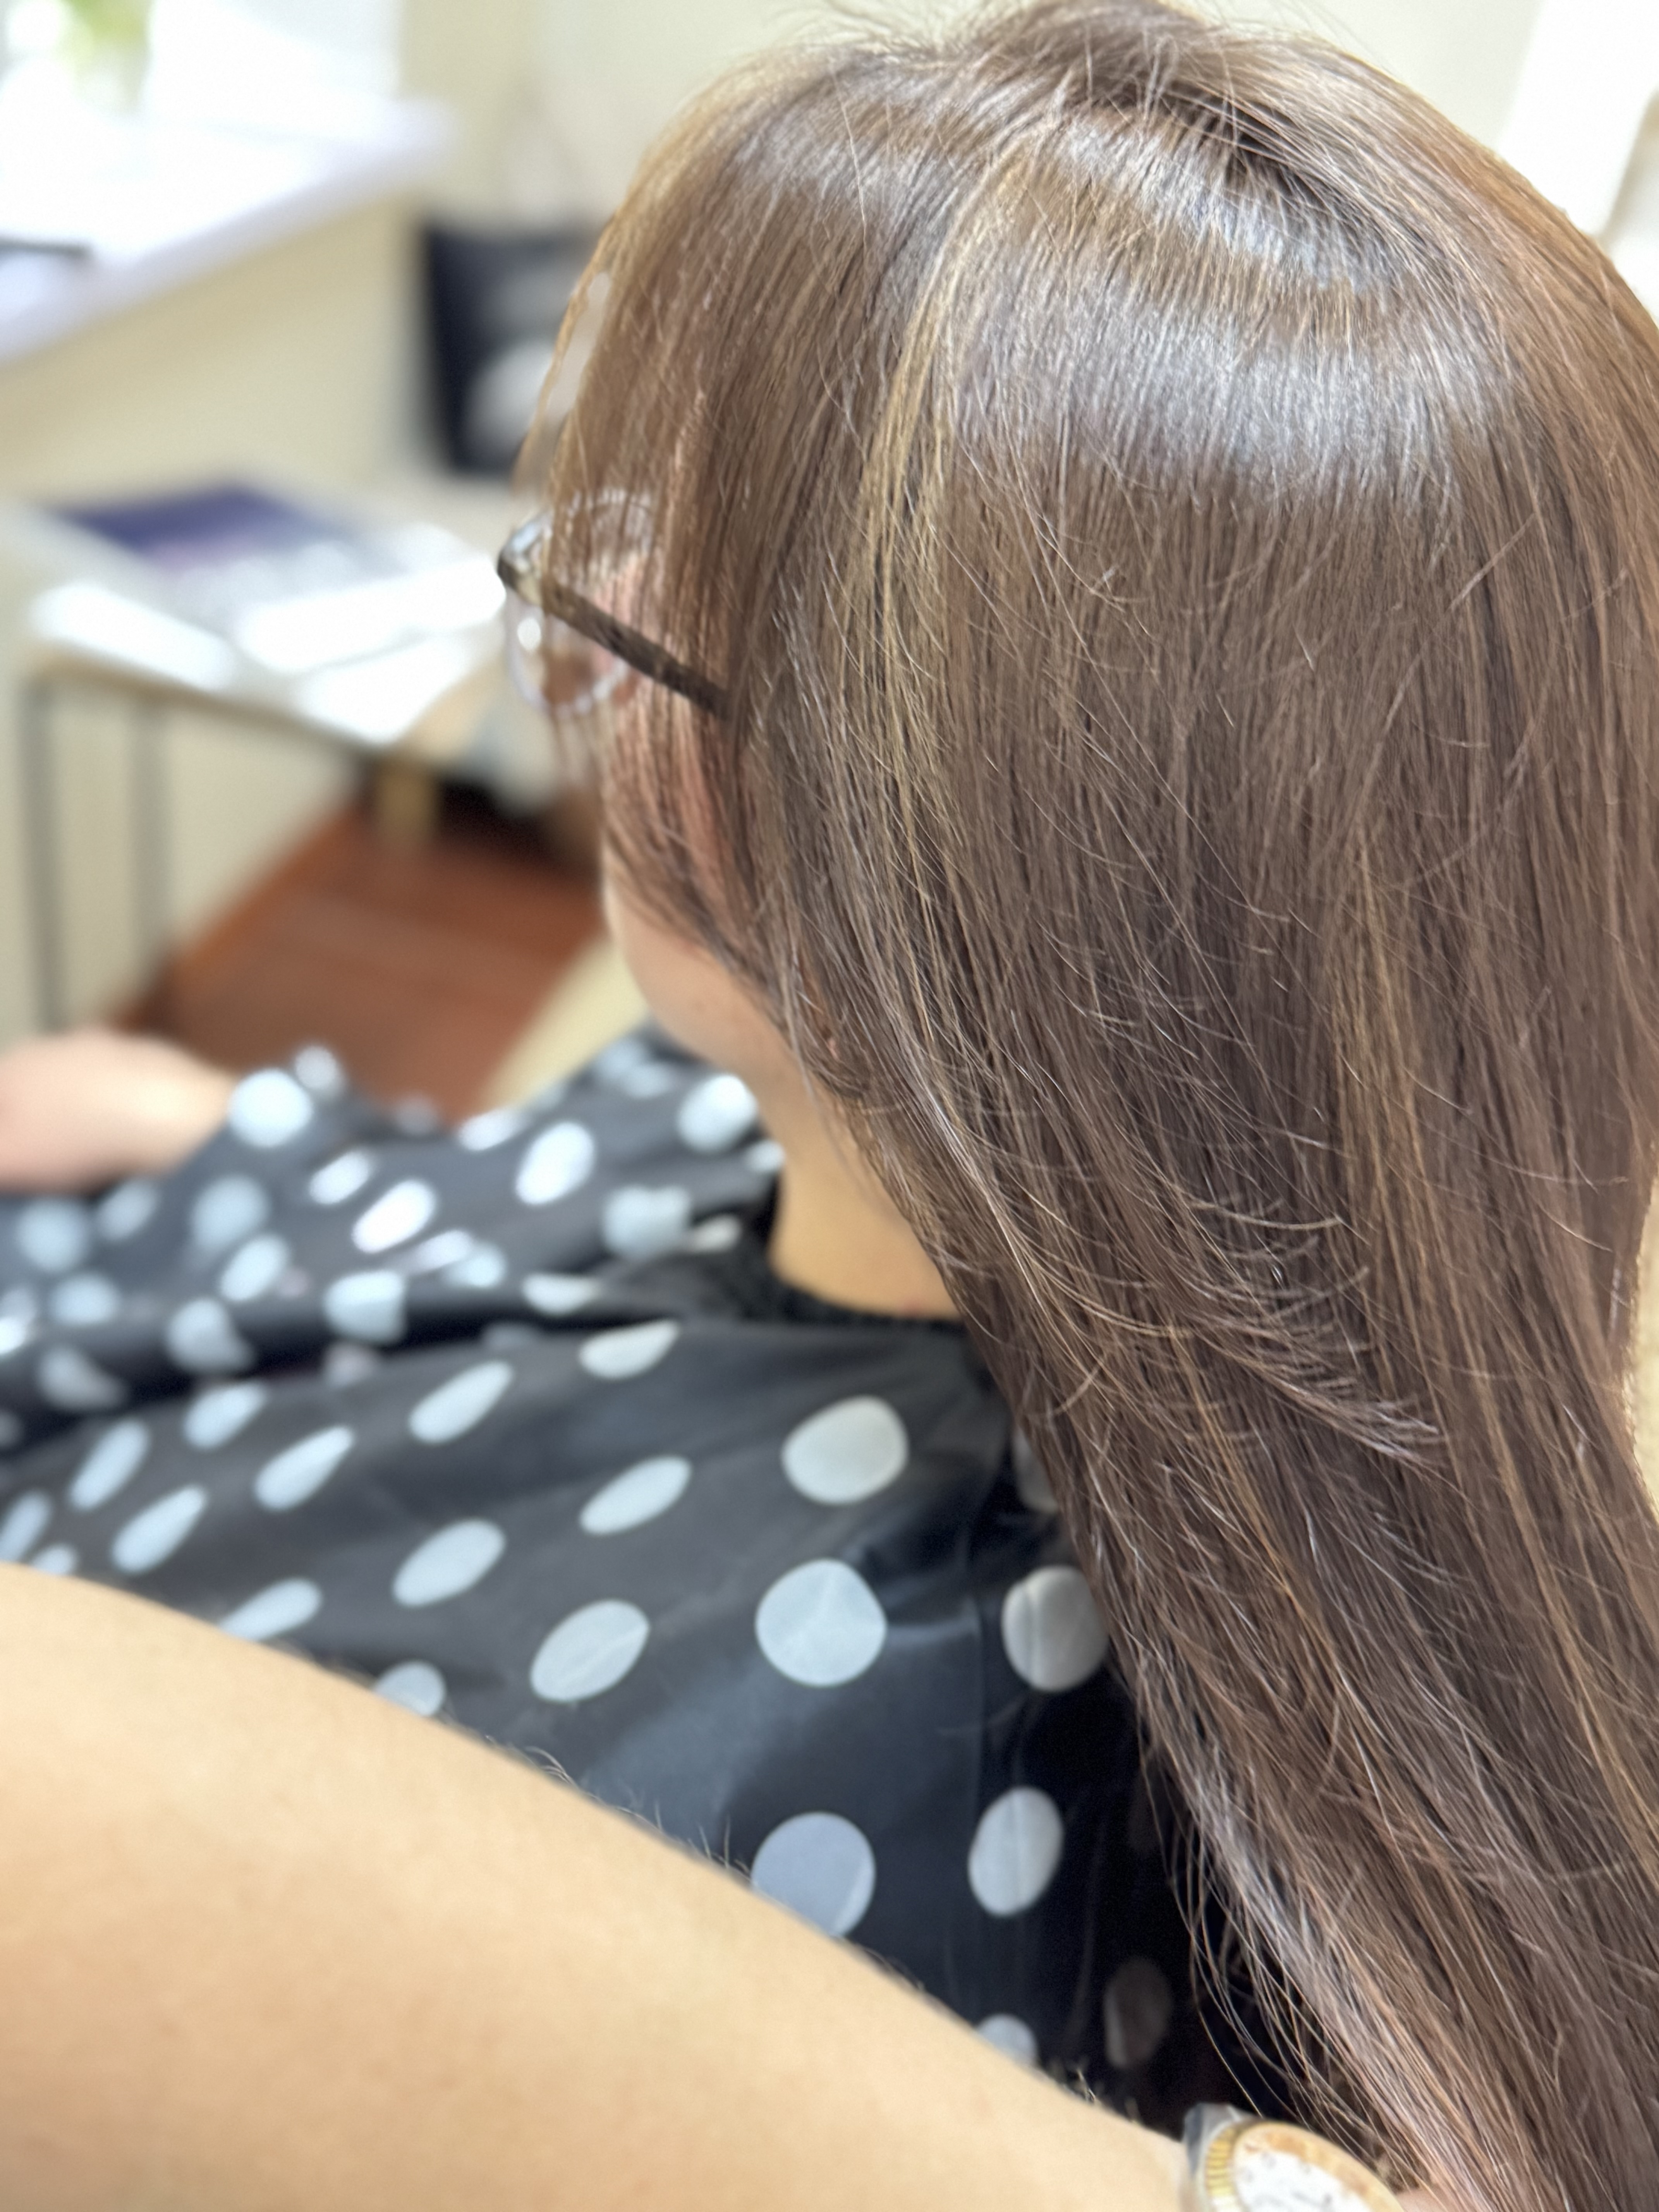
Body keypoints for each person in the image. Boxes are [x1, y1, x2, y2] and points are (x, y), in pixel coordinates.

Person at [3, 1, 1659, 2205]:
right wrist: (206, 1129)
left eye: (707, 603)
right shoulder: (833, 1126)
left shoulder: (811, 1793)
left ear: (1021, 901)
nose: (604, 607)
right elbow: (506, 1216)